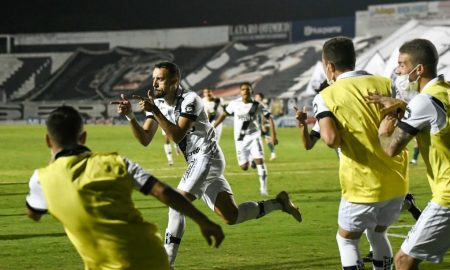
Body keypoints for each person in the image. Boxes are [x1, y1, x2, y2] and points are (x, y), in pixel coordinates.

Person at [112, 61, 302, 269]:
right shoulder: (158, 103)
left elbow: (177, 135)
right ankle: (279, 203)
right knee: (231, 216)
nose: (154, 82)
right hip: (197, 161)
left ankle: (167, 264)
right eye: (154, 78)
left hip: (207, 157)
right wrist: (131, 116)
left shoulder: (190, 99)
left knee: (176, 203)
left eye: (160, 78)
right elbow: (145, 138)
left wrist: (155, 111)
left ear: (174, 81)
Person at [25, 106, 225, 270]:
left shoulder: (41, 179)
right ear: (83, 137)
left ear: (48, 141)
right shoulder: (117, 162)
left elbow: (33, 213)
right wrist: (204, 221)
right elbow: (163, 192)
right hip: (152, 258)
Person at [311, 37, 409, 270]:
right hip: (397, 181)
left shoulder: (326, 95)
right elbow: (404, 119)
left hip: (362, 185)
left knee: (346, 239)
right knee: (377, 233)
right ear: (353, 59)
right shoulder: (386, 83)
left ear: (330, 66)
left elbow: (331, 139)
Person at [368, 39, 450, 270]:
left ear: (419, 69)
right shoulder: (445, 91)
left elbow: (391, 148)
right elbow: (433, 115)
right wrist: (401, 103)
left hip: (447, 196)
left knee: (403, 261)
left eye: (402, 65)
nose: (397, 71)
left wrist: (383, 132)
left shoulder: (424, 101)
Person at [214, 83, 278, 196]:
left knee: (260, 162)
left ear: (251, 91)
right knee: (244, 167)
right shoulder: (234, 104)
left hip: (254, 137)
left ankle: (263, 189)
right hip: (240, 139)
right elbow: (224, 114)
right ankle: (250, 158)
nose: (245, 91)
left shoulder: (257, 105)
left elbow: (270, 118)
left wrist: (274, 136)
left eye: (248, 89)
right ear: (240, 92)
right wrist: (214, 126)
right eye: (243, 89)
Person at [254, 92, 277, 161]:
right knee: (267, 139)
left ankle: (259, 155)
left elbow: (263, 116)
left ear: (260, 98)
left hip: (263, 125)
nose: (255, 98)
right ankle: (273, 153)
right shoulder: (260, 105)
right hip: (262, 125)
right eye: (255, 97)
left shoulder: (261, 105)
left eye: (257, 97)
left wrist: (262, 125)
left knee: (258, 140)